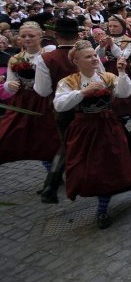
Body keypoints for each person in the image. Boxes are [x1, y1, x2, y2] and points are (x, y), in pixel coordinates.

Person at [55, 41, 131, 229]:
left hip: (108, 125)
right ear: (76, 61)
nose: (93, 58)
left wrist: (122, 73)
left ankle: (102, 208)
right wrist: (83, 92)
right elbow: (59, 105)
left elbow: (124, 93)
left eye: (94, 55)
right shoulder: (68, 82)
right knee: (85, 167)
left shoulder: (107, 76)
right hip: (83, 128)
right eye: (88, 56)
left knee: (108, 165)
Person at [35, 18, 91, 204]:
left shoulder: (45, 59)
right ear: (77, 35)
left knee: (66, 143)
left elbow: (43, 91)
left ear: (56, 36)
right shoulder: (89, 53)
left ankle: (53, 184)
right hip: (90, 105)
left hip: (63, 109)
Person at [0, 22, 60, 170]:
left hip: (47, 99)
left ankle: (55, 171)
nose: (27, 38)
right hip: (24, 100)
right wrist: (11, 85)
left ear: (40, 36)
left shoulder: (48, 54)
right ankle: (50, 169)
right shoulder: (15, 59)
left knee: (49, 135)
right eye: (23, 36)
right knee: (19, 133)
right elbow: (10, 82)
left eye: (31, 36)